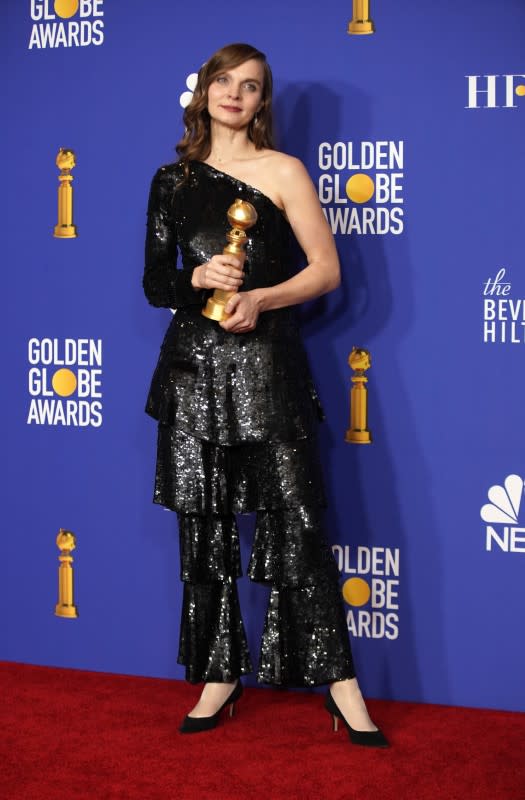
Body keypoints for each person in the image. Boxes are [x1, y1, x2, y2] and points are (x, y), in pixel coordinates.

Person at [143, 43, 388, 748]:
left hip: (269, 368)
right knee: (205, 531)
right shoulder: (173, 180)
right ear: (205, 92)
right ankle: (219, 677)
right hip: (192, 373)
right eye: (224, 80)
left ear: (261, 103)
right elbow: (155, 282)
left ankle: (341, 689)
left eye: (250, 86)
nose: (234, 94)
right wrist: (194, 281)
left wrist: (261, 297)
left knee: (301, 525)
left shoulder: (284, 171)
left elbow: (326, 270)